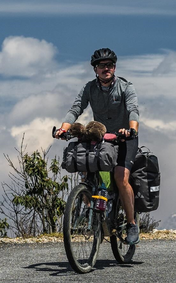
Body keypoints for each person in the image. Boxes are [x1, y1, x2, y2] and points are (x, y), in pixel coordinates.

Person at [55, 48, 140, 244]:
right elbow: (76, 108)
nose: (106, 68)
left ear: (114, 67)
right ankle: (94, 217)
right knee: (87, 173)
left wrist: (131, 129)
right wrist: (63, 129)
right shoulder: (90, 88)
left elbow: (133, 110)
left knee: (120, 177)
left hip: (125, 138)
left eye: (109, 65)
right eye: (101, 66)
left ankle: (131, 223)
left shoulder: (126, 87)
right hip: (102, 138)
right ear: (95, 69)